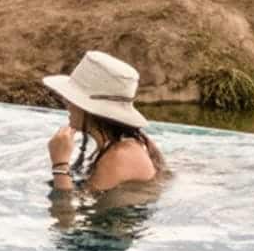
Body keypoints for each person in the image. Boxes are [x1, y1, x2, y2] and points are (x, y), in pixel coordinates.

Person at [43, 51, 165, 193]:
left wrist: (60, 164)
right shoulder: (117, 145)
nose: (67, 103)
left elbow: (66, 213)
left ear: (90, 109)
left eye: (73, 98)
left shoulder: (120, 156)